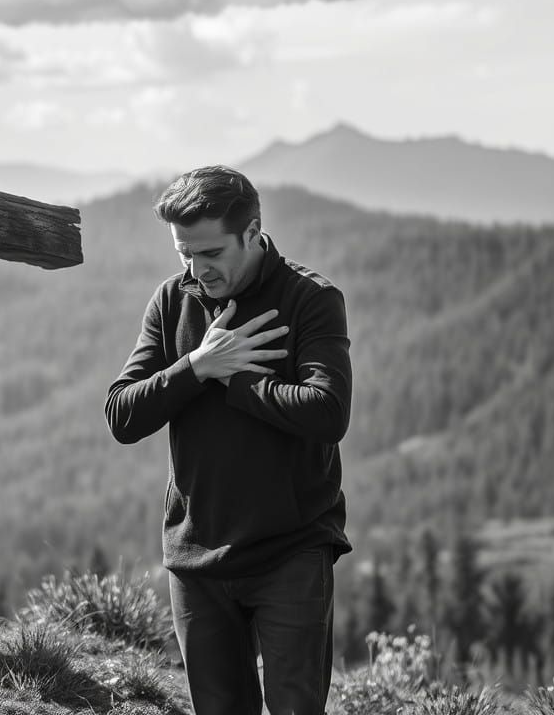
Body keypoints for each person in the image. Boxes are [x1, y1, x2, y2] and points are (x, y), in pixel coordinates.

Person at [104, 166, 352, 715]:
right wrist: (197, 366)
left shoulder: (310, 299)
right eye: (185, 254)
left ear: (252, 232)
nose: (197, 269)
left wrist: (238, 381)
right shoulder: (173, 301)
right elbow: (122, 414)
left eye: (210, 253)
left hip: (291, 550)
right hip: (197, 557)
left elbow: (328, 412)